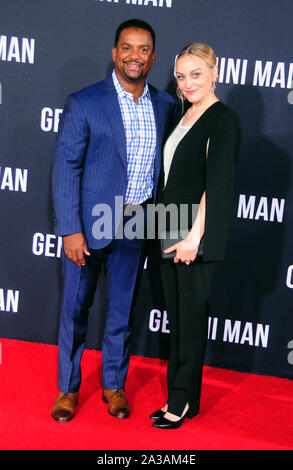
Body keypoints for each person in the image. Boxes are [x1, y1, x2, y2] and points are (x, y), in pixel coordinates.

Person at [51, 18, 177, 422]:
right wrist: (70, 228)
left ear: (153, 57)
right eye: (127, 47)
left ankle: (113, 387)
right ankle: (68, 389)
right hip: (88, 227)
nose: (134, 56)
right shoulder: (85, 102)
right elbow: (66, 168)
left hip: (137, 223)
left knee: (122, 311)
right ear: (114, 53)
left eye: (143, 49)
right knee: (75, 309)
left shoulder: (165, 105)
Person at [151, 43, 241, 429]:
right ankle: (184, 396)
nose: (188, 83)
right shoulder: (183, 114)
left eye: (196, 74)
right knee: (179, 319)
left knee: (190, 319)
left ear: (214, 73)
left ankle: (180, 401)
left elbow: (216, 186)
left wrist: (193, 238)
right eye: (181, 76)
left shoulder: (224, 120)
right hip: (168, 226)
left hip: (192, 233)